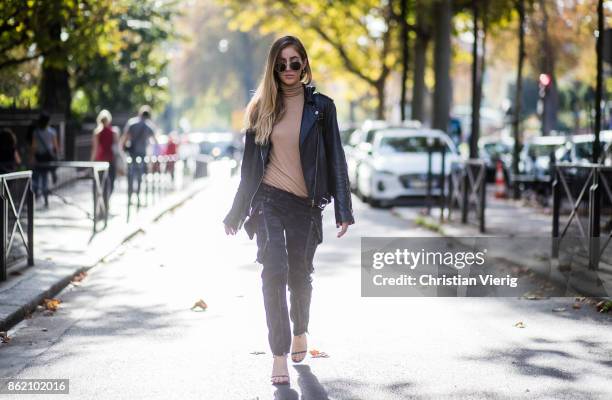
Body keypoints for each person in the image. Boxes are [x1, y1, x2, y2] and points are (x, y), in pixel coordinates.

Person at [223, 35, 355, 386]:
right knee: (274, 272)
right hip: (269, 202)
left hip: (307, 205)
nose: (288, 69)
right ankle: (278, 353)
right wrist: (236, 212)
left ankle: (301, 330)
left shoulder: (322, 108)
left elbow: (336, 157)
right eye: (281, 63)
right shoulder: (260, 109)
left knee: (300, 274)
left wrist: (343, 207)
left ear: (304, 64)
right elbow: (250, 170)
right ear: (273, 67)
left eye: (294, 62)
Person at [120, 105, 158, 204]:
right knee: (140, 175)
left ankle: (129, 195)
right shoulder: (149, 126)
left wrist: (122, 149)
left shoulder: (132, 123)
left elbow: (125, 138)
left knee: (130, 174)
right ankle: (138, 196)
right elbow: (155, 141)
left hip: (131, 153)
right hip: (142, 154)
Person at [30, 112, 59, 207]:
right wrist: (56, 156)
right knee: (45, 179)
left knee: (36, 179)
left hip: (38, 157)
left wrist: (32, 157)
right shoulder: (52, 132)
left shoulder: (36, 132)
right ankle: (46, 200)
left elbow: (34, 146)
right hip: (47, 158)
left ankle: (34, 199)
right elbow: (55, 146)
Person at [91, 109, 118, 204]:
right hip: (110, 159)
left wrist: (92, 161)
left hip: (100, 160)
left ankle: (100, 203)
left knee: (99, 183)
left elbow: (95, 149)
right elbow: (117, 147)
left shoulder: (97, 133)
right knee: (110, 182)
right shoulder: (114, 132)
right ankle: (105, 202)